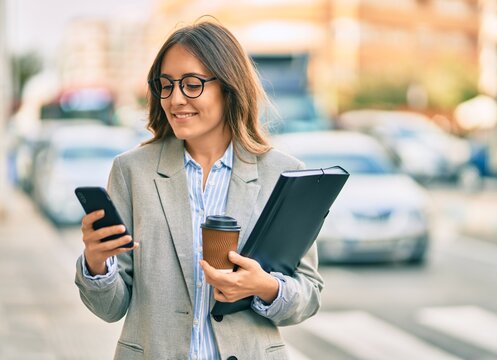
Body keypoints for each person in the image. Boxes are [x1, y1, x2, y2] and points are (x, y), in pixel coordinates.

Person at [75, 20, 323, 360]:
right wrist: (97, 264)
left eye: (192, 84)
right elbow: (111, 307)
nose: (175, 99)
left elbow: (308, 295)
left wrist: (265, 287)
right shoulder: (132, 171)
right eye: (166, 85)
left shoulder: (283, 173)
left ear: (229, 86)